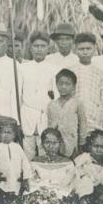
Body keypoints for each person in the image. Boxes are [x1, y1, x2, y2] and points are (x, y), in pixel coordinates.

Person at [20, 31, 60, 160]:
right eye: (36, 46)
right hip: (27, 114)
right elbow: (19, 94)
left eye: (42, 46)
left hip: (45, 114)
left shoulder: (54, 69)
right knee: (28, 151)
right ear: (31, 48)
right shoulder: (23, 68)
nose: (39, 49)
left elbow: (57, 97)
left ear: (48, 48)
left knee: (44, 149)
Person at [26, 128, 79, 204]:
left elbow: (71, 184)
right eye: (47, 142)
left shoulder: (68, 163)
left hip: (61, 198)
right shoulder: (35, 162)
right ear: (42, 143)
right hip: (40, 197)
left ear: (60, 143)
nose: (51, 146)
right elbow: (32, 182)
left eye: (54, 143)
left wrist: (55, 194)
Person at [69, 33, 103, 133]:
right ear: (75, 50)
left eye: (88, 48)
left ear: (94, 49)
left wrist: (102, 123)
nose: (85, 52)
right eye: (81, 49)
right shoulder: (70, 71)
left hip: (94, 121)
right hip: (74, 121)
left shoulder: (101, 73)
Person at [47, 69, 87, 158]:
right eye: (60, 83)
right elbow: (49, 125)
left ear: (73, 86)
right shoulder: (51, 104)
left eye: (67, 84)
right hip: (55, 144)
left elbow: (83, 124)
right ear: (56, 85)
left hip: (71, 143)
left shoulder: (77, 103)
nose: (63, 87)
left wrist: (81, 143)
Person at [0, 117, 32, 204]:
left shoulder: (17, 147)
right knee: (3, 201)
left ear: (14, 134)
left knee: (16, 201)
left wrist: (26, 178)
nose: (6, 135)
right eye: (3, 132)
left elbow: (25, 164)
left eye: (9, 132)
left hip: (16, 180)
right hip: (3, 182)